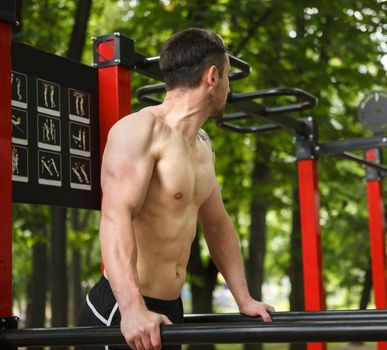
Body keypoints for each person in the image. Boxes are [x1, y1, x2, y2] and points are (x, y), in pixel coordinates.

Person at [76, 28, 275, 350]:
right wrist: (132, 310)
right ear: (213, 77)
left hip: (170, 311)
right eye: (227, 77)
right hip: (122, 311)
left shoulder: (202, 145)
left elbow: (217, 224)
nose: (228, 87)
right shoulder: (139, 130)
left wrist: (244, 298)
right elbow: (116, 218)